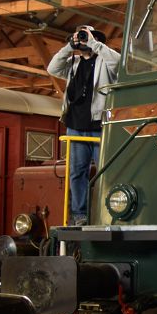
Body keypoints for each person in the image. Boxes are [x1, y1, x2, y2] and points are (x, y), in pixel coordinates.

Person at [47, 26, 120, 225]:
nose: (83, 40)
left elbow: (119, 63)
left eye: (86, 36)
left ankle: (109, 213)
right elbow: (52, 68)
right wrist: (68, 47)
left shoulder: (104, 61)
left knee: (105, 171)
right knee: (77, 172)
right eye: (81, 37)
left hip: (99, 126)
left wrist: (94, 43)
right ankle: (80, 215)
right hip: (75, 126)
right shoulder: (74, 62)